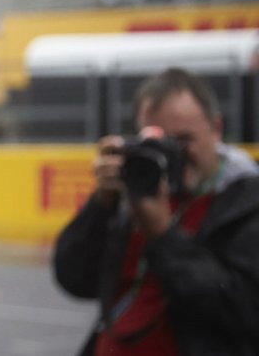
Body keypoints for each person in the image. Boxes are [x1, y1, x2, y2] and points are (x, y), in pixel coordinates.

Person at [53, 67, 259, 355]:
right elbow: (73, 278)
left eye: (184, 140)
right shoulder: (136, 189)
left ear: (216, 129)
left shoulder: (246, 202)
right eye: (160, 144)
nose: (174, 155)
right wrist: (102, 203)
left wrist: (162, 234)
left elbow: (241, 312)